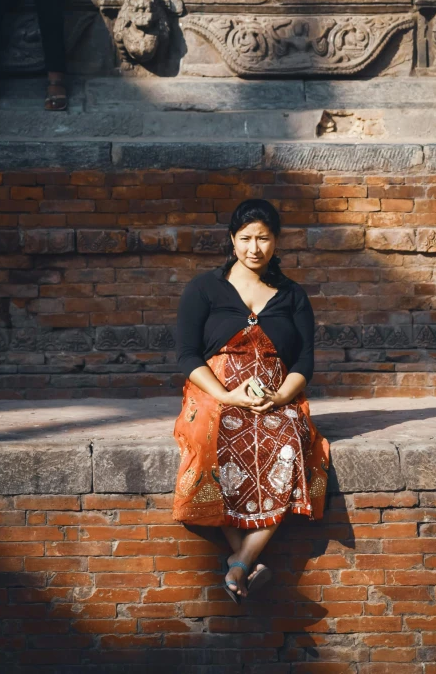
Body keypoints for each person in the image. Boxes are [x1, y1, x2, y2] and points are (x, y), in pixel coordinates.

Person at [173, 199, 330, 603]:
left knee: (290, 441)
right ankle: (244, 561)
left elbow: (306, 361)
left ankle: (240, 561)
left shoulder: (292, 295)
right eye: (245, 239)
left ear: (276, 241)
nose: (254, 248)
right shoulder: (205, 288)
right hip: (215, 391)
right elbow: (187, 355)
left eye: (263, 238)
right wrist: (226, 394)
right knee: (217, 435)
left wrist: (279, 395)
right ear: (232, 240)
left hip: (275, 394)